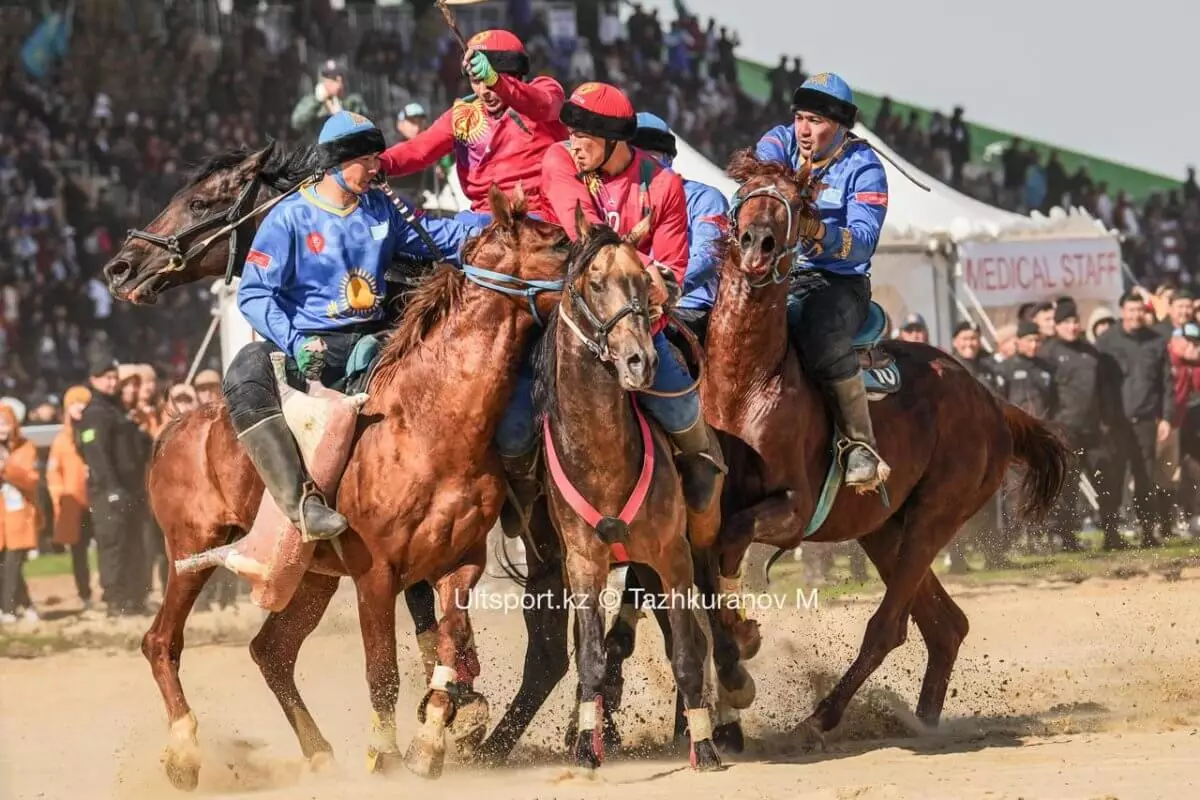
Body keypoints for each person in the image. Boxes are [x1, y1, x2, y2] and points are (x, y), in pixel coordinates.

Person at [225, 111, 482, 542]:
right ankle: (301, 504)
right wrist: (294, 339)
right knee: (242, 374)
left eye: (378, 159)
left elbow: (434, 236)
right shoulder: (290, 218)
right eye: (367, 160)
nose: (377, 168)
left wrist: (488, 226)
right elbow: (253, 294)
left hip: (373, 340)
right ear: (337, 163)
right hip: (307, 343)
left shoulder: (381, 209)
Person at [511, 82, 725, 516]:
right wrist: (640, 266)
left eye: (583, 137)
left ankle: (700, 463)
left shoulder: (663, 185)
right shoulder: (560, 161)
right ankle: (517, 486)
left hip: (638, 321)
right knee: (512, 426)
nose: (573, 144)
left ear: (614, 141)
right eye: (570, 133)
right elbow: (584, 230)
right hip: (567, 324)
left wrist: (657, 279)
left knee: (683, 410)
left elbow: (672, 271)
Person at [754, 72, 890, 491]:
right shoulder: (781, 141)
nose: (804, 130)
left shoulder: (865, 167)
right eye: (800, 117)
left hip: (838, 284)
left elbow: (863, 244)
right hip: (778, 275)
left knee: (820, 334)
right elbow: (764, 163)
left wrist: (816, 231)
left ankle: (859, 444)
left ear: (841, 125)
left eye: (816, 120)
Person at [379, 30, 568, 225]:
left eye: (488, 80)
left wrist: (498, 82)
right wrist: (376, 164)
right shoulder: (463, 113)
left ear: (516, 74)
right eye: (476, 81)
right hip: (480, 222)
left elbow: (544, 105)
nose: (484, 91)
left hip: (539, 220)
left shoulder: (545, 89)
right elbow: (419, 149)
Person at [629, 112, 728, 343]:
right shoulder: (619, 200)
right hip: (632, 308)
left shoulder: (705, 198)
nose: (644, 167)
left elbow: (710, 255)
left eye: (651, 158)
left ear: (669, 159)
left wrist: (663, 287)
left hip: (691, 308)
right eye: (636, 159)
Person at [1039, 300, 1129, 551]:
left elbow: (1105, 391)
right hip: (1065, 431)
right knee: (1067, 487)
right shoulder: (1048, 354)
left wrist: (1107, 422)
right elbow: (1045, 396)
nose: (1072, 326)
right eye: (1066, 322)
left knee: (1107, 482)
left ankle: (1112, 535)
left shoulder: (1091, 352)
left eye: (1074, 321)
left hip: (1095, 431)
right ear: (1056, 326)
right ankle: (1067, 539)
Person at [1096, 291, 1176, 547]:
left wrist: (1166, 417)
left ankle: (1147, 532)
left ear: (1145, 312)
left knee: (1145, 478)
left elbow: (1166, 383)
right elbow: (1099, 386)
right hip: (1116, 423)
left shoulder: (1157, 341)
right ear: (1122, 312)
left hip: (1145, 422)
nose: (1135, 315)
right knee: (1114, 478)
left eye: (1139, 310)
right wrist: (1103, 419)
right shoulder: (1106, 341)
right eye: (1130, 311)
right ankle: (1111, 534)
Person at [76, 353, 150, 617]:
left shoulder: (117, 411)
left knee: (134, 545)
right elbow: (96, 453)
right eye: (106, 378)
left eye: (113, 378)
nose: (111, 382)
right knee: (113, 546)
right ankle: (115, 602)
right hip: (109, 492)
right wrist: (111, 489)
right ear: (93, 380)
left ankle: (134, 599)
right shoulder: (94, 413)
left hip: (130, 489)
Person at [47, 385, 94, 611]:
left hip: (96, 499)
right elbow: (52, 474)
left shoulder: (96, 430)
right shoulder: (61, 440)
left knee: (108, 548)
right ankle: (85, 594)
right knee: (78, 551)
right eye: (75, 403)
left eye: (84, 402)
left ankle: (108, 590)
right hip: (74, 504)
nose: (80, 407)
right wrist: (60, 500)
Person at [0, 402, 42, 624]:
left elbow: (30, 479)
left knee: (13, 562)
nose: (1, 429)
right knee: (3, 564)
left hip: (18, 514)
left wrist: (5, 468)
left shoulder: (26, 447)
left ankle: (7, 610)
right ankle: (26, 605)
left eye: (5, 423)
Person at [290, 59, 370, 141]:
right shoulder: (312, 101)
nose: (334, 83)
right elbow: (297, 123)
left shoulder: (354, 101)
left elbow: (365, 129)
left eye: (337, 78)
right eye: (329, 78)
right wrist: (317, 100)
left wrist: (341, 114)